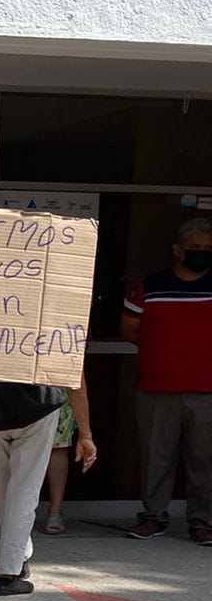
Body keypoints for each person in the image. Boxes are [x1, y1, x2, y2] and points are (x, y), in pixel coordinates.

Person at [121, 218, 212, 544]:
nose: (202, 254)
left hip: (207, 392)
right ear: (178, 250)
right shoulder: (150, 286)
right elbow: (130, 329)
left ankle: (203, 522)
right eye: (195, 248)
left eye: (207, 249)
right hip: (156, 390)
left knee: (205, 460)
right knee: (155, 459)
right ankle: (153, 517)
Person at [0, 381, 68, 596]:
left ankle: (19, 558)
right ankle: (9, 574)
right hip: (38, 407)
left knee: (3, 491)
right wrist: (86, 434)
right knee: (23, 493)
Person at [40, 382, 98, 536]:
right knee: (15, 447)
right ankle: (15, 512)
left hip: (57, 381)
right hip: (18, 383)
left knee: (57, 445)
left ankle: (55, 510)